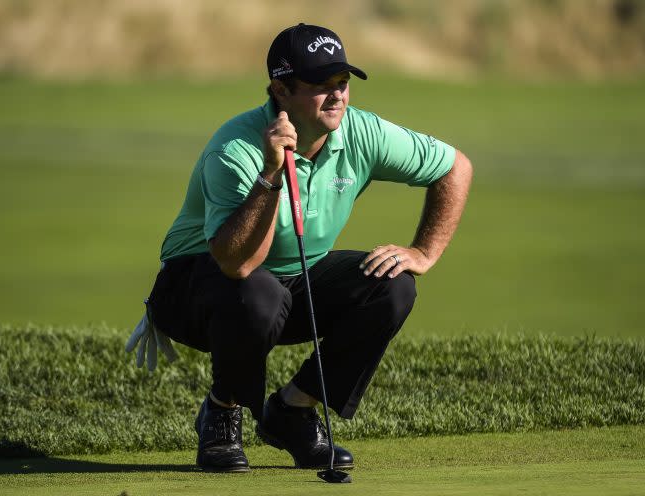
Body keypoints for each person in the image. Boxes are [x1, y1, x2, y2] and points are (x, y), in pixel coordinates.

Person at [129, 23, 472, 473]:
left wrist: (423, 252)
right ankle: (221, 412)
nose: (337, 97)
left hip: (289, 280)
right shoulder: (236, 149)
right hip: (200, 285)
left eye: (342, 83)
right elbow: (237, 263)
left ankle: (293, 412)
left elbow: (454, 168)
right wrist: (271, 175)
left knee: (392, 287)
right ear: (281, 90)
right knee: (260, 293)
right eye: (320, 86)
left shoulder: (361, 132)